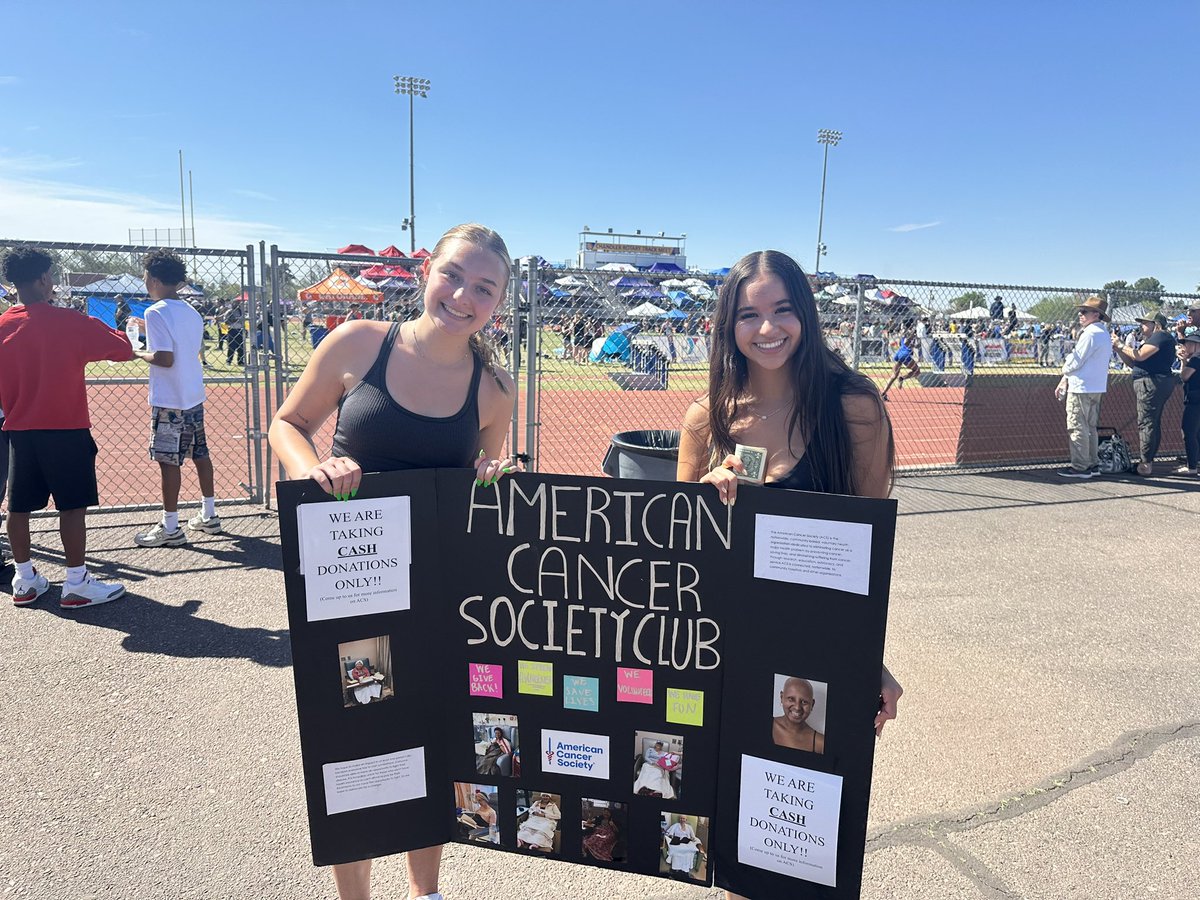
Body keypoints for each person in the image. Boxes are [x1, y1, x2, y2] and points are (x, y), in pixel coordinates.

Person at [268, 223, 516, 900]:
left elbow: (485, 486)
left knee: (428, 740)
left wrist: (494, 479)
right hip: (351, 587)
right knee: (356, 742)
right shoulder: (356, 343)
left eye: (484, 287)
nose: (464, 295)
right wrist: (316, 469)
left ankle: (425, 891)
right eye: (454, 275)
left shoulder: (494, 387)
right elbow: (286, 424)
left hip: (437, 600)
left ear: (499, 302)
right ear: (426, 272)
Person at [676, 250, 903, 732]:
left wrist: (870, 660)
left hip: (813, 651)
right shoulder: (705, 417)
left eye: (782, 310)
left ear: (805, 314)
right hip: (723, 648)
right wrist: (703, 497)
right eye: (748, 315)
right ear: (728, 327)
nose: (767, 328)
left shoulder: (854, 409)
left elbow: (864, 555)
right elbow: (682, 559)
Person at [0, 248, 131, 608]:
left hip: (20, 431)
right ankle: (76, 581)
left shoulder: (2, 326)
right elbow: (122, 348)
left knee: (18, 507)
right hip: (65, 427)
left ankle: (24, 579)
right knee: (72, 506)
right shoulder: (69, 321)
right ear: (44, 279)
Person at [131, 250, 223, 547]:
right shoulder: (190, 311)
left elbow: (164, 358)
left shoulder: (155, 311)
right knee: (200, 453)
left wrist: (135, 351)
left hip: (170, 399)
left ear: (154, 279)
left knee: (169, 462)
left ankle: (170, 525)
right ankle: (209, 514)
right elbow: (182, 346)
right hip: (192, 394)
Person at [1111, 312, 1177, 476]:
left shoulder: (1160, 336)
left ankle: (1145, 464)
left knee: (1147, 423)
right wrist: (1119, 350)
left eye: (1145, 323)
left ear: (1156, 324)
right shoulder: (1154, 339)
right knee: (1151, 422)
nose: (1141, 326)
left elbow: (1139, 356)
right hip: (1152, 380)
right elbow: (1134, 363)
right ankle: (1147, 460)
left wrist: (1121, 345)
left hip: (1151, 383)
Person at [1054, 297, 1112, 478]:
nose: (1080, 314)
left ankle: (1080, 466)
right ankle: (1092, 463)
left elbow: (1076, 360)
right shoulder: (1103, 333)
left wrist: (1065, 370)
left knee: (1077, 426)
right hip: (1096, 386)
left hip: (1081, 387)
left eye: (1084, 311)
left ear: (1096, 314)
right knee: (1090, 427)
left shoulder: (1090, 334)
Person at [772, 676, 825, 753]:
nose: (797, 707)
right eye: (791, 699)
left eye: (804, 702)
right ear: (781, 697)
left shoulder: (820, 743)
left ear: (812, 705)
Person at [1176, 333, 1200, 476]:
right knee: (1197, 433)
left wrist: (1184, 361)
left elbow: (1184, 376)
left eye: (1189, 343)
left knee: (1189, 432)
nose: (1186, 346)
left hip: (1195, 400)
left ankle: (1191, 466)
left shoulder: (1196, 359)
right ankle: (1195, 463)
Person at [881, 329, 920, 400]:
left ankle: (883, 393)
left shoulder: (904, 336)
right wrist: (912, 335)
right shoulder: (909, 337)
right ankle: (902, 378)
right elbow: (907, 341)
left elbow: (912, 345)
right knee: (917, 371)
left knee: (894, 375)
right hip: (905, 355)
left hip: (898, 354)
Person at [223, 301, 245, 366]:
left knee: (241, 347)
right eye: (235, 303)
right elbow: (226, 321)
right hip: (232, 330)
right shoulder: (229, 312)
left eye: (238, 303)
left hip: (239, 330)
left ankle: (240, 361)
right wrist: (234, 320)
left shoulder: (241, 311)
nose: (237, 304)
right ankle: (229, 360)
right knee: (231, 347)